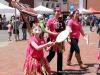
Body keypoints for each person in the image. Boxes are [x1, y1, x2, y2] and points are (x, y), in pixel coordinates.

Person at [45, 7, 66, 75]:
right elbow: (46, 29)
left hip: (60, 40)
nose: (59, 12)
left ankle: (59, 71)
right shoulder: (50, 20)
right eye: (57, 11)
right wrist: (53, 33)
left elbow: (63, 29)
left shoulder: (61, 20)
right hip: (52, 40)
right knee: (51, 54)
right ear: (54, 12)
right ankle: (43, 65)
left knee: (60, 55)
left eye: (60, 11)